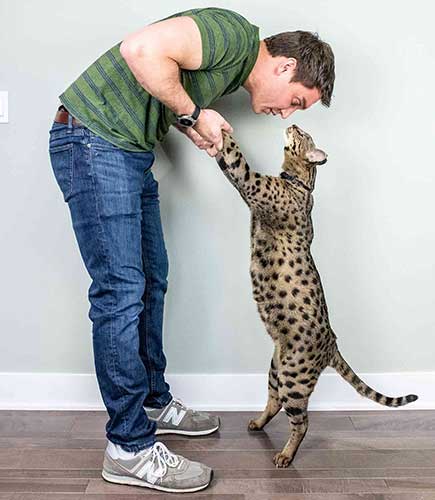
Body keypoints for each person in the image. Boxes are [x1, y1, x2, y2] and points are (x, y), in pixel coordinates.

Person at [48, 6, 335, 493]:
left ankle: (153, 403)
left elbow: (160, 80)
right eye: (296, 102)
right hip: (95, 143)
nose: (285, 113)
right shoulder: (232, 34)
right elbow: (139, 50)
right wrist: (195, 113)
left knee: (151, 283)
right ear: (286, 68)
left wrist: (189, 122)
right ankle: (128, 448)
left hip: (127, 152)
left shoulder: (230, 66)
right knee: (120, 294)